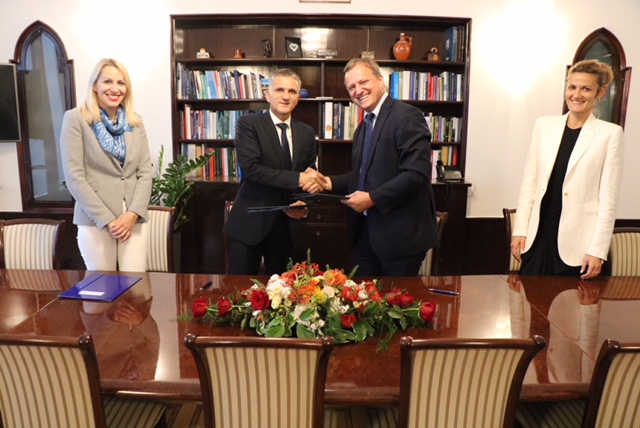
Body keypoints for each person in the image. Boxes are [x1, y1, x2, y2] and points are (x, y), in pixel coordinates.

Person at [316, 58, 438, 276]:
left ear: (381, 80)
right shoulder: (363, 128)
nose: (358, 90)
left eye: (363, 82)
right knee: (361, 296)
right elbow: (361, 175)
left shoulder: (406, 115)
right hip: (365, 235)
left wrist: (372, 198)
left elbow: (416, 174)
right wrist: (328, 182)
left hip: (400, 237)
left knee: (395, 298)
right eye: (351, 87)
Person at [511, 59, 624, 280]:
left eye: (586, 89)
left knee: (571, 302)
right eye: (572, 87)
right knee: (526, 300)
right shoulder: (544, 126)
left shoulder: (610, 134)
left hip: (577, 244)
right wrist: (520, 230)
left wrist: (598, 250)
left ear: (600, 92)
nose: (576, 95)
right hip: (537, 235)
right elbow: (529, 185)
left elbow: (608, 199)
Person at [223, 68, 324, 275]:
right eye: (280, 90)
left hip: (286, 228)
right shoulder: (248, 124)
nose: (286, 96)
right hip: (249, 224)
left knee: (283, 290)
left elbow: (310, 173)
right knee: (239, 290)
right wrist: (299, 178)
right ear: (267, 95)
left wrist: (304, 203)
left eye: (292, 91)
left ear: (298, 97)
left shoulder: (306, 132)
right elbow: (252, 170)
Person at [60, 58, 152, 272]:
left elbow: (145, 173)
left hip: (133, 220)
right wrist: (108, 220)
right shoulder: (76, 119)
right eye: (107, 81)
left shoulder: (135, 122)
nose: (115, 88)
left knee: (135, 285)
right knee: (101, 288)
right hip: (95, 220)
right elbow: (74, 177)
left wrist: (133, 214)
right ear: (95, 85)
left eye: (121, 83)